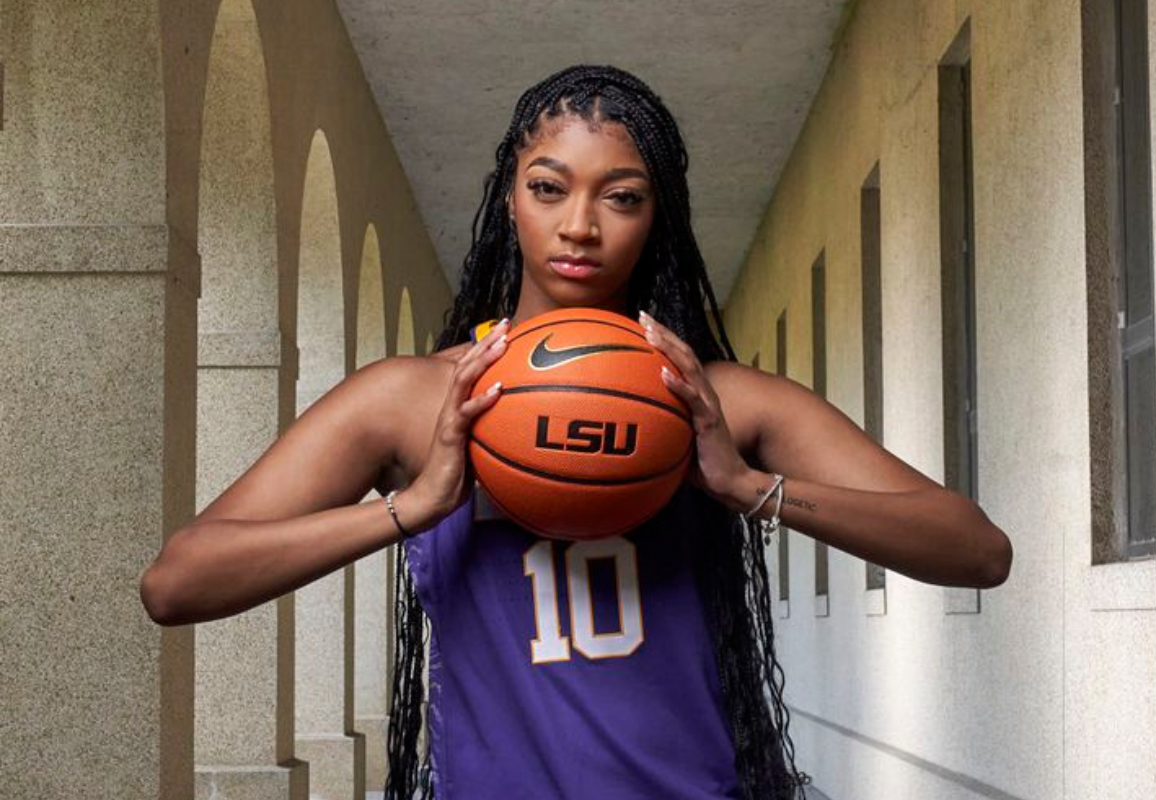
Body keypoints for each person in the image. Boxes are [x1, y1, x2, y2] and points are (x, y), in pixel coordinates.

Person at [140, 64, 1012, 800]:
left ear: (656, 216)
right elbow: (177, 584)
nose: (580, 225)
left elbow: (976, 551)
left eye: (621, 197)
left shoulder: (723, 402)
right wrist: (412, 507)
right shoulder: (410, 402)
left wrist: (747, 488)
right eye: (548, 188)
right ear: (509, 201)